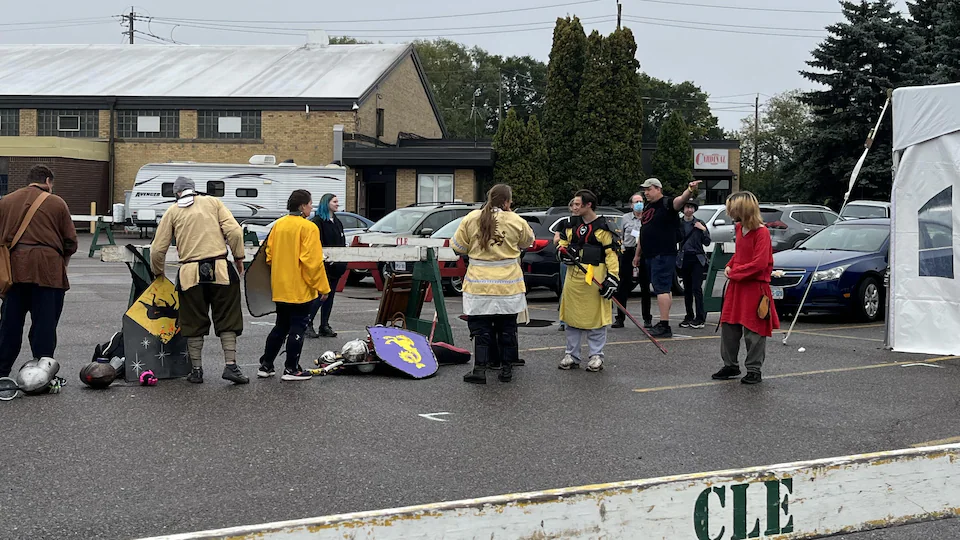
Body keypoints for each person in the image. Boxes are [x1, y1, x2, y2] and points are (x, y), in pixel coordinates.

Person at [151, 176, 248, 385]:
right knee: (227, 317)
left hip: (189, 273)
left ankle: (196, 370)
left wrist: (158, 272)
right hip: (221, 268)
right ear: (194, 190)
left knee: (193, 319)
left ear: (177, 193)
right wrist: (239, 257)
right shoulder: (213, 202)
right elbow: (234, 231)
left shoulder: (173, 211)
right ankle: (231, 365)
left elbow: (157, 249)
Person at [452, 184, 534, 384]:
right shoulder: (516, 220)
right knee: (506, 326)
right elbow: (528, 242)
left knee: (480, 328)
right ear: (507, 201)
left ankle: (480, 369)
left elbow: (458, 246)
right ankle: (506, 369)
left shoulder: (472, 218)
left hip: (478, 284)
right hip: (508, 284)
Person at [0, 165, 77, 379]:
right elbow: (70, 241)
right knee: (45, 324)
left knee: (9, 324)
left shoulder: (6, 201)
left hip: (14, 271)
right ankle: (42, 374)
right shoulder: (56, 202)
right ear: (48, 181)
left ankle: (2, 371)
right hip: (48, 272)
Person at [257, 189, 331, 382]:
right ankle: (291, 368)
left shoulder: (279, 225)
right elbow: (312, 262)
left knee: (280, 326)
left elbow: (269, 255)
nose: (311, 207)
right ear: (302, 206)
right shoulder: (308, 228)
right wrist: (323, 287)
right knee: (298, 326)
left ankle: (266, 365)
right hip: (300, 287)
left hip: (280, 286)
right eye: (309, 204)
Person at [711, 191, 779, 385]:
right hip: (737, 286)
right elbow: (739, 254)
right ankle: (730, 364)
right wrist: (730, 265)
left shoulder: (762, 232)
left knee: (754, 329)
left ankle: (754, 369)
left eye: (732, 209)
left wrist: (734, 271)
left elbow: (759, 263)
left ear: (742, 209)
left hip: (754, 287)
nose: (729, 212)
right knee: (729, 326)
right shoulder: (740, 228)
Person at [557, 189, 620, 372]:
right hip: (573, 277)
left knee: (596, 319)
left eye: (577, 204)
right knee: (571, 317)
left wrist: (612, 278)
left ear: (588, 205)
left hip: (595, 277)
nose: (574, 207)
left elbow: (611, 255)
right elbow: (562, 246)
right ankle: (572, 354)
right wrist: (563, 255)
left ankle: (596, 356)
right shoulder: (569, 225)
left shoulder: (603, 227)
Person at [638, 178, 702, 338]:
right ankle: (663, 321)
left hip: (663, 253)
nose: (646, 193)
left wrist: (690, 189)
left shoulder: (667, 203)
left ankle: (664, 325)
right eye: (644, 190)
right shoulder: (648, 207)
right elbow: (643, 230)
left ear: (658, 189)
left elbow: (681, 200)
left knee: (661, 288)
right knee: (663, 288)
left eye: (649, 189)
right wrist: (638, 254)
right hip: (651, 254)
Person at [306, 193, 347, 339]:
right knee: (320, 296)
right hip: (323, 267)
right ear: (326, 203)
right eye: (334, 201)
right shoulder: (317, 222)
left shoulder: (337, 222)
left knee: (330, 298)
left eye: (337, 201)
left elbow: (342, 243)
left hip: (336, 267)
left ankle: (324, 325)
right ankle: (307, 324)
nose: (337, 204)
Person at [616, 192, 653, 329]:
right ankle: (620, 318)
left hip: (644, 253)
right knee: (623, 287)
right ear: (631, 205)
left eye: (641, 201)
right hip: (629, 252)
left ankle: (647, 318)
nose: (639, 204)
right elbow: (620, 236)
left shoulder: (647, 217)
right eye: (636, 202)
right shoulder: (625, 218)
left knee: (645, 288)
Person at [677, 200, 711, 329]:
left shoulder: (699, 223)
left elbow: (707, 241)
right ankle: (689, 316)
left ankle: (700, 318)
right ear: (683, 209)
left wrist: (703, 230)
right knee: (687, 289)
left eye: (691, 207)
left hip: (697, 258)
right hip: (684, 258)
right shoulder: (679, 224)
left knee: (697, 288)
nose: (689, 210)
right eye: (687, 207)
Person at [554, 198, 576, 332]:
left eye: (578, 205)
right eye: (574, 205)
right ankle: (563, 320)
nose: (576, 208)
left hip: (583, 261)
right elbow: (556, 240)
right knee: (565, 289)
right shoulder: (564, 223)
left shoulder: (586, 223)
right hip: (567, 259)